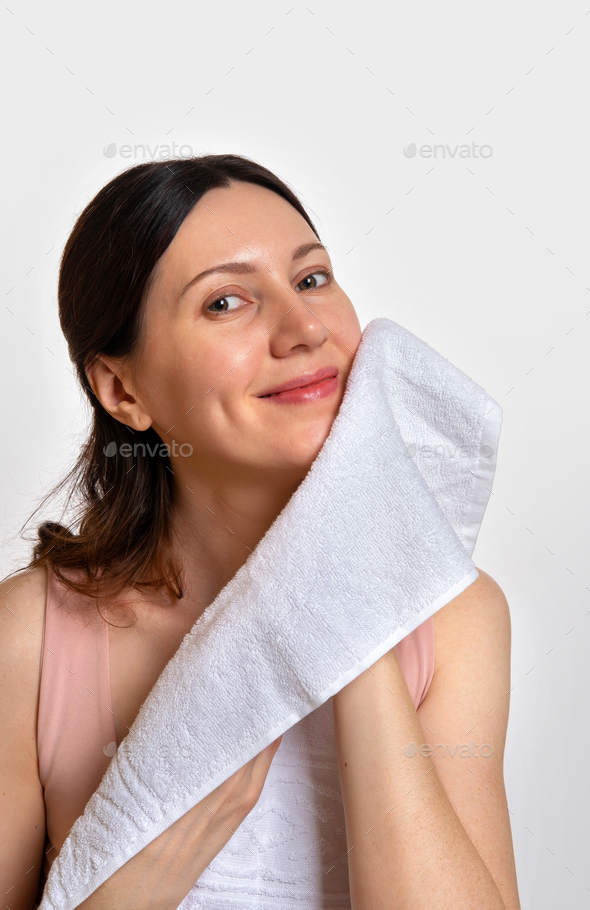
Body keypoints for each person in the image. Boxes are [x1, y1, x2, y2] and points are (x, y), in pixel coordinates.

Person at [0, 154, 521, 909]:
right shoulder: (32, 644)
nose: (304, 328)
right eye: (225, 302)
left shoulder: (453, 620)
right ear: (123, 389)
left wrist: (348, 607)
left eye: (311, 279)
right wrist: (145, 872)